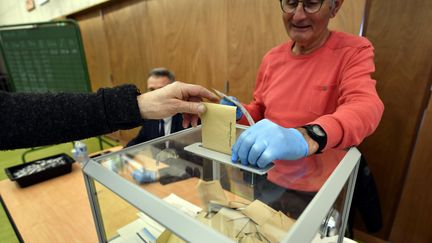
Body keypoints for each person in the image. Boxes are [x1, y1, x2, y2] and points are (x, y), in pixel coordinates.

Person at [222, 0, 384, 218]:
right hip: (267, 174)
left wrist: (308, 135)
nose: (297, 16)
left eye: (311, 4)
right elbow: (260, 110)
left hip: (318, 188)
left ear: (334, 7)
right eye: (290, 3)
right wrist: (239, 114)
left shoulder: (353, 51)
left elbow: (365, 106)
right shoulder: (272, 58)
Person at [0, 81, 218, 150]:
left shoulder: (189, 123)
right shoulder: (153, 121)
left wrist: (136, 104)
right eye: (150, 88)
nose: (154, 91)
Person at [127, 68, 186, 147]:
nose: (155, 95)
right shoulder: (149, 116)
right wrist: (118, 155)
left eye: (161, 90)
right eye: (151, 90)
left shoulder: (187, 117)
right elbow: (138, 140)